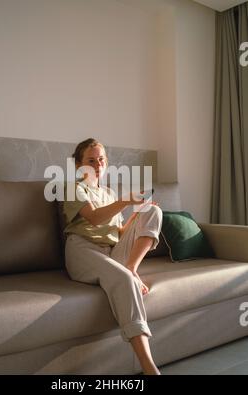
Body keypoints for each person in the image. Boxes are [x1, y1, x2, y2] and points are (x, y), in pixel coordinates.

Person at [62, 138, 163, 375]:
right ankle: (150, 369)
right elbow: (94, 218)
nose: (97, 164)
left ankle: (131, 267)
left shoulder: (107, 192)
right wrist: (126, 200)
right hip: (82, 250)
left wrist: (137, 214)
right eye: (91, 160)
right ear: (78, 165)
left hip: (111, 250)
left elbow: (117, 232)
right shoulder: (73, 187)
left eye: (101, 159)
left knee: (153, 211)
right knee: (124, 281)